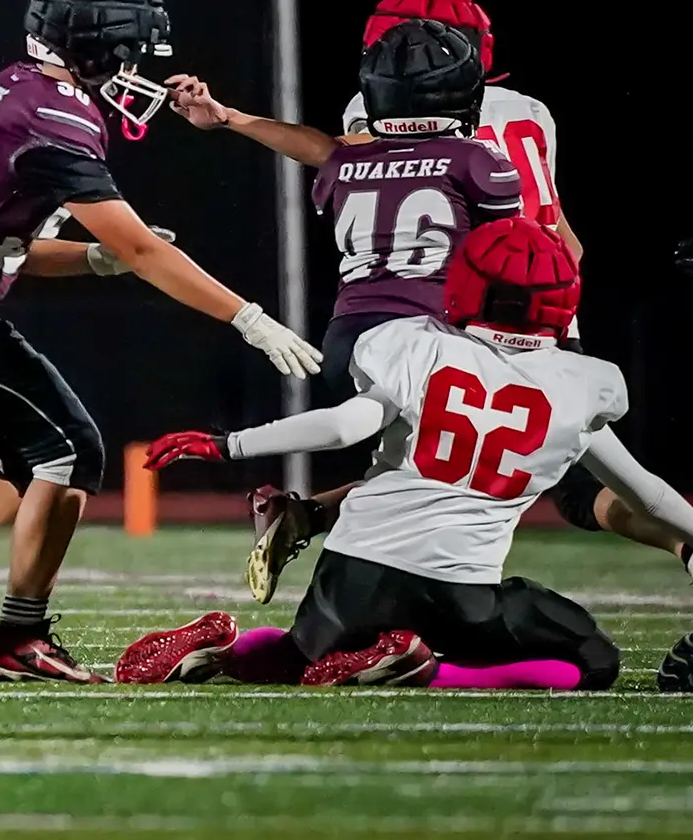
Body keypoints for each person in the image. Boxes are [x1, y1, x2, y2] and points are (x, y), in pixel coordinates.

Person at [0, 0, 320, 683]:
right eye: (128, 49)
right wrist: (248, 318)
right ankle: (16, 638)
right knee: (67, 451)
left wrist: (97, 262)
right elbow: (139, 245)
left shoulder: (11, 87)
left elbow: (7, 244)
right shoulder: (56, 112)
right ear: (93, 43)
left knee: (46, 452)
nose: (135, 69)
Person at [165, 0, 688, 598]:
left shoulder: (384, 115)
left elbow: (341, 158)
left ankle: (316, 522)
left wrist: (232, 119)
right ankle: (685, 544)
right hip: (532, 307)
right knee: (516, 467)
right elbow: (564, 241)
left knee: (468, 460)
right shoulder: (528, 112)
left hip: (467, 315)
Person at [117, 217, 693, 690]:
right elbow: (650, 494)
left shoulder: (415, 345)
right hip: (458, 592)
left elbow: (346, 427)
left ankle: (229, 650)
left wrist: (227, 444)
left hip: (350, 577)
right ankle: (427, 669)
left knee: (300, 661)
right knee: (590, 662)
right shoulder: (581, 385)